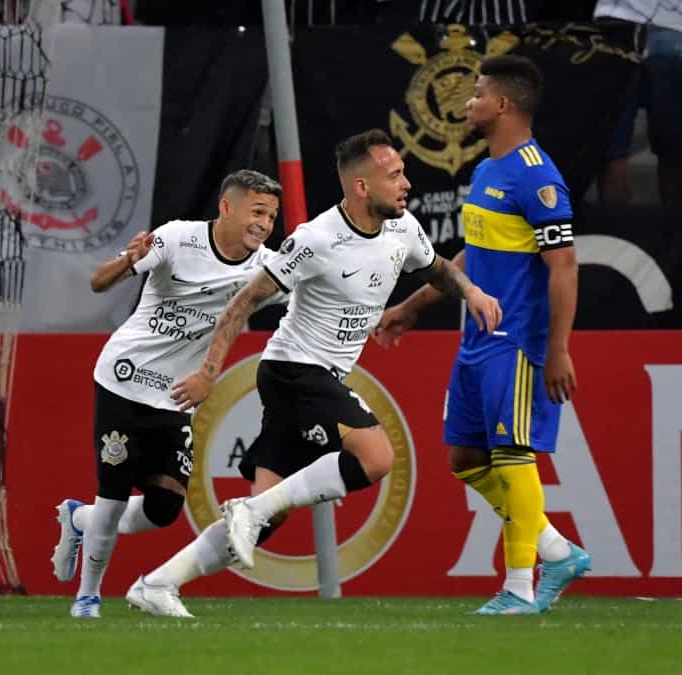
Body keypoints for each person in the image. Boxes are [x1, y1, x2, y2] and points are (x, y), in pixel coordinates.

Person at [126, 129, 501, 619]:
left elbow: (437, 271)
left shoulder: (403, 229)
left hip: (320, 377)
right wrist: (209, 373)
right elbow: (243, 303)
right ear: (362, 187)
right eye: (394, 175)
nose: (406, 183)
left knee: (269, 514)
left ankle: (157, 584)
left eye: (403, 173)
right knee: (376, 456)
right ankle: (249, 511)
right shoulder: (316, 239)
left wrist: (470, 291)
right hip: (293, 371)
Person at [375, 55, 590, 615]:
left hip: (517, 341)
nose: (467, 103)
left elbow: (563, 265)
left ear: (503, 105)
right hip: (475, 339)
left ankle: (519, 587)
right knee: (465, 457)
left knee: (513, 453)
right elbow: (477, 252)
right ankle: (557, 549)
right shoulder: (487, 171)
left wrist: (559, 348)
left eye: (476, 94)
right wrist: (417, 303)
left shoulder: (539, 177)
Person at [52, 170, 283, 618]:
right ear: (226, 207)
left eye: (272, 216)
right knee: (114, 494)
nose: (264, 224)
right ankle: (88, 597)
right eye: (257, 212)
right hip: (123, 379)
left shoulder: (265, 268)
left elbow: (309, 293)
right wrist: (127, 260)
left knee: (164, 509)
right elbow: (99, 282)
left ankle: (79, 519)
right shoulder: (177, 238)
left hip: (176, 397)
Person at [593, 0, 682, 207]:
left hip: (616, 20)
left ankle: (614, 233)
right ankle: (672, 232)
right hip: (673, 24)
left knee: (611, 152)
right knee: (674, 152)